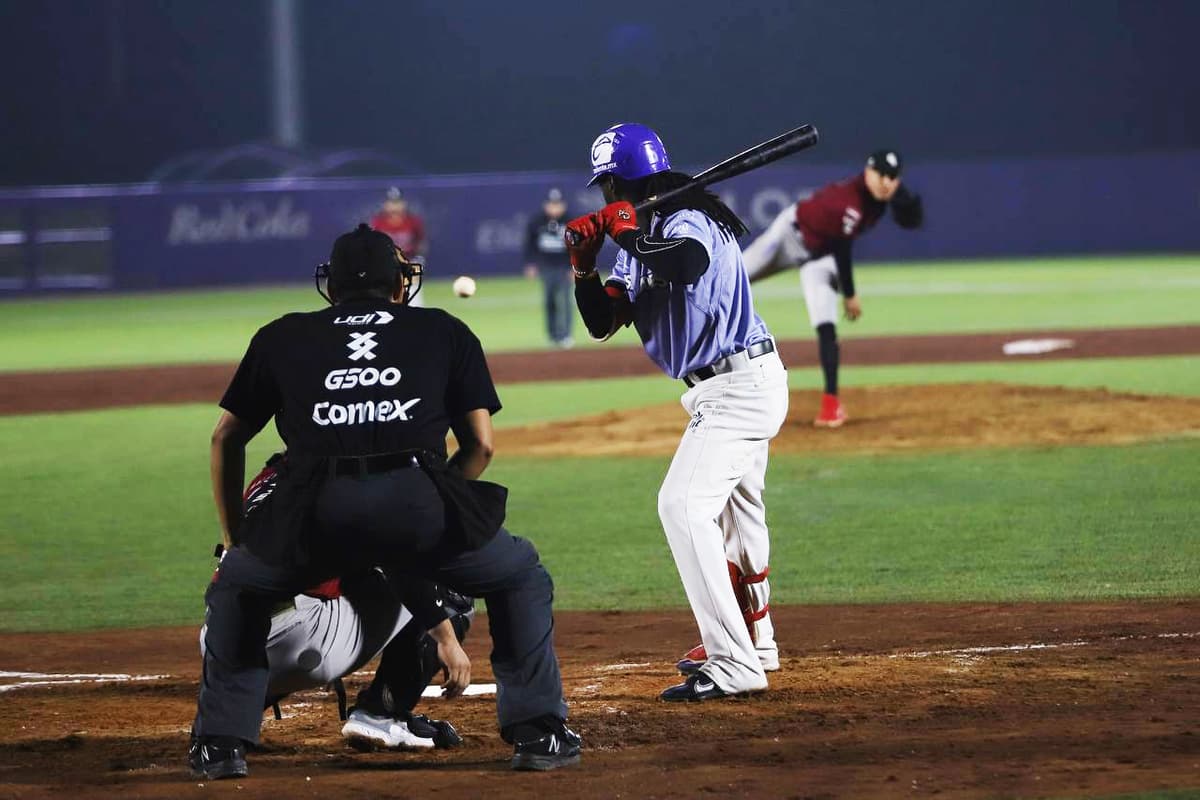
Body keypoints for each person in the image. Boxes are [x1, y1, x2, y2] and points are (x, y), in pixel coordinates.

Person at [189, 224, 579, 780]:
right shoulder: (444, 329)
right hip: (415, 503)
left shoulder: (281, 335)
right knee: (519, 575)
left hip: (310, 511)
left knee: (240, 587)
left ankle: (219, 746)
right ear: (401, 283)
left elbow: (226, 437)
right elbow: (480, 446)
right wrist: (434, 498)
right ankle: (539, 731)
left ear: (333, 286)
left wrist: (235, 541)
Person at [566, 123, 789, 701]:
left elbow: (685, 265)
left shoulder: (688, 221)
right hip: (724, 387)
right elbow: (602, 321)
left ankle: (734, 662)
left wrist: (627, 236)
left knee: (682, 505)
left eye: (606, 186)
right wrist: (586, 266)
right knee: (739, 518)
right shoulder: (646, 232)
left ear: (620, 180)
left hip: (739, 386)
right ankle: (756, 640)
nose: (602, 197)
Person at [198, 454, 475, 752]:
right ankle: (381, 714)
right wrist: (445, 637)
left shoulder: (266, 478)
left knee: (283, 589)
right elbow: (401, 566)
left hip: (221, 641)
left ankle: (237, 709)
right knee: (444, 583)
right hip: (301, 645)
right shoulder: (347, 483)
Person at [741, 149, 924, 427]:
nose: (887, 182)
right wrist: (850, 295)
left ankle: (830, 406)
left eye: (893, 177)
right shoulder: (849, 202)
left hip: (819, 256)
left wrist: (910, 207)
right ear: (868, 171)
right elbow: (843, 249)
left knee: (826, 325)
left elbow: (909, 214)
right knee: (735, 277)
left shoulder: (886, 192)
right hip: (788, 236)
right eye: (881, 174)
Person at [523, 187, 575, 348]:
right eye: (552, 204)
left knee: (566, 302)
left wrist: (576, 267)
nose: (554, 207)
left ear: (563, 205)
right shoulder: (537, 221)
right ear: (546, 205)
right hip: (546, 267)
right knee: (549, 301)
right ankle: (553, 336)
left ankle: (565, 336)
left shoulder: (572, 222)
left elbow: (580, 246)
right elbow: (529, 244)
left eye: (557, 204)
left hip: (565, 267)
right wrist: (531, 264)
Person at [371, 187, 427, 307]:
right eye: (391, 203)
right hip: (386, 261)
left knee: (414, 275)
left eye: (397, 202)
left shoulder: (413, 221)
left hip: (408, 259)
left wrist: (419, 257)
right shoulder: (379, 222)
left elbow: (421, 240)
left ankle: (417, 309)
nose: (395, 206)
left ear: (404, 204)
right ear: (385, 205)